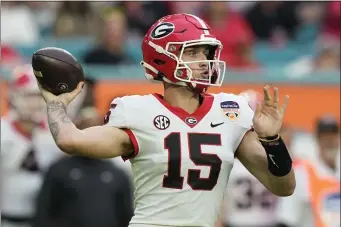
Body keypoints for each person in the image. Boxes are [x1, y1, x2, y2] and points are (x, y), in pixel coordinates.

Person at [37, 13, 295, 227]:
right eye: (193, 52)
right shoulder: (137, 110)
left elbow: (283, 186)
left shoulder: (231, 110)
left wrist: (272, 141)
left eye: (206, 52)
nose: (205, 62)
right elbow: (71, 140)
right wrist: (56, 104)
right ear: (163, 57)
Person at [1, 64, 61, 227]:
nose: (35, 103)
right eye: (29, 96)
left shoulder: (53, 134)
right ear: (13, 96)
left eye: (39, 96)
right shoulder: (3, 132)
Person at [276, 115, 340, 227]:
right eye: (324, 137)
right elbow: (286, 218)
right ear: (317, 139)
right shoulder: (302, 172)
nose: (329, 141)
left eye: (333, 136)